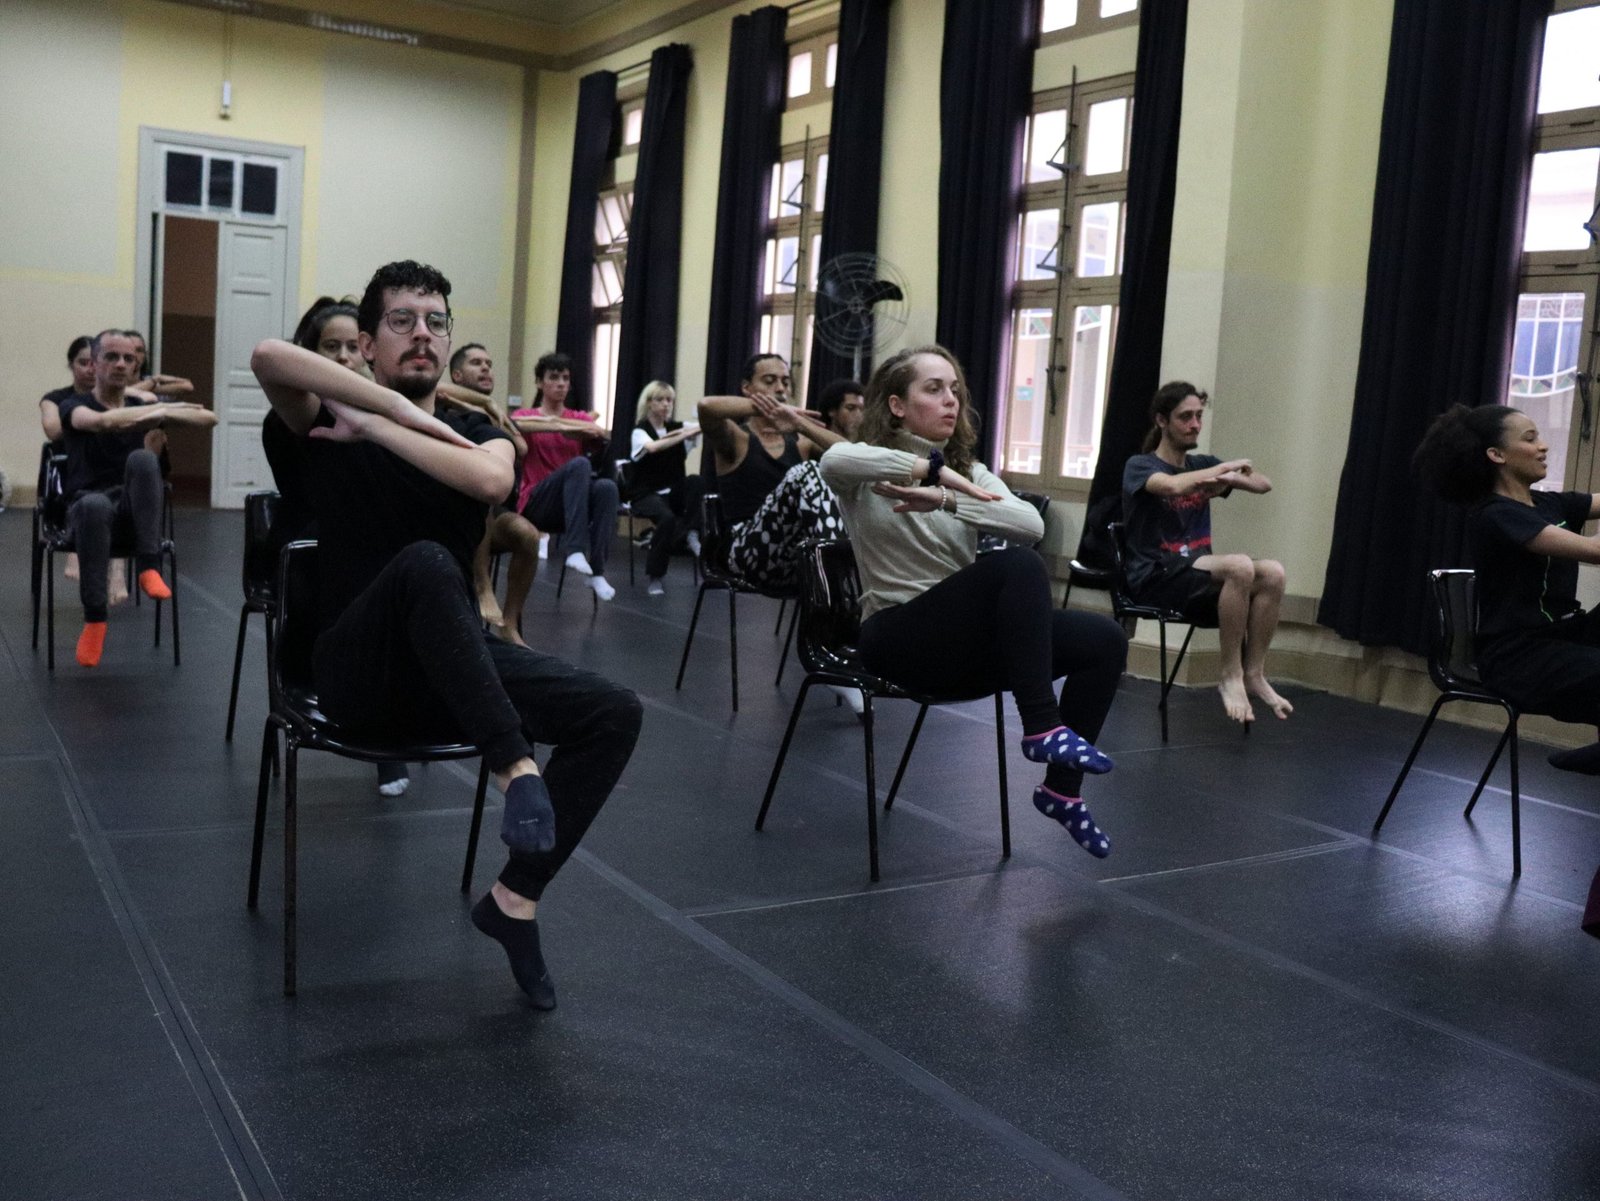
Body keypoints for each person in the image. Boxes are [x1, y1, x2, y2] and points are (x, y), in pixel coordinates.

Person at [250, 260, 641, 1009]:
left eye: (435, 321)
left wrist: (388, 424)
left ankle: (515, 899)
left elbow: (495, 483)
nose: (422, 335)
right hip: (354, 670)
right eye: (401, 321)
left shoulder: (473, 432)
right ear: (364, 344)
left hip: (455, 669)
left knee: (613, 710)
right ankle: (513, 768)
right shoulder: (320, 423)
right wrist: (366, 414)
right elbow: (270, 356)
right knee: (425, 563)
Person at [819, 346, 1127, 857]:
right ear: (896, 404)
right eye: (934, 389)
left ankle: (1061, 790)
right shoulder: (866, 470)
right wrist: (930, 471)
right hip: (897, 638)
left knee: (1103, 638)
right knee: (1016, 567)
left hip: (959, 648)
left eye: (955, 391)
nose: (951, 402)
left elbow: (1030, 525)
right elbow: (834, 457)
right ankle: (1043, 724)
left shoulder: (972, 473)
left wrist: (946, 496)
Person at [1413, 403, 1600, 774]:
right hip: (1518, 656)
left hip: (1564, 634)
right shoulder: (1495, 515)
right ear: (1496, 455)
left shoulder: (1549, 502)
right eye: (1530, 439)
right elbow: (1595, 551)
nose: (1543, 446)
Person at [1121, 382, 1290, 725]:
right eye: (1185, 417)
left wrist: (1228, 477)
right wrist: (1216, 472)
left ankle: (1253, 673)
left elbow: (1263, 484)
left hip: (1197, 578)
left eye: (1198, 416)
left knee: (1273, 572)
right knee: (1239, 566)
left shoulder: (1202, 464)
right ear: (1162, 421)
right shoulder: (1139, 465)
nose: (1195, 424)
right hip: (1156, 578)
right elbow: (1170, 485)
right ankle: (1230, 675)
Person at [60, 329, 217, 667]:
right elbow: (100, 422)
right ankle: (95, 620)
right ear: (96, 363)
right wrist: (156, 413)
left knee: (145, 460)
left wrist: (153, 413)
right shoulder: (73, 405)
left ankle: (148, 567)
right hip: (86, 515)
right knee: (94, 505)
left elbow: (208, 417)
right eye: (111, 357)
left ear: (136, 367)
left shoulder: (140, 404)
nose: (120, 364)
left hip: (131, 516)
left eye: (128, 359)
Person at [699, 353, 847, 593]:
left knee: (836, 475)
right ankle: (837, 583)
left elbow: (851, 454)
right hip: (745, 556)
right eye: (769, 381)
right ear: (747, 388)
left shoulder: (801, 444)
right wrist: (769, 408)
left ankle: (836, 588)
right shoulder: (737, 440)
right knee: (808, 470)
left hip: (794, 559)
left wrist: (801, 425)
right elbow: (706, 407)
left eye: (785, 382)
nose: (779, 388)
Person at [439, 342, 543, 645]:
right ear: (457, 375)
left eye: (488, 363)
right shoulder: (444, 404)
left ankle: (509, 624)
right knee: (479, 488)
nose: (486, 368)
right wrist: (475, 407)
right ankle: (482, 583)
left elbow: (522, 449)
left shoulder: (494, 413)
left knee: (526, 534)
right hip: (455, 512)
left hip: (494, 514)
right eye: (476, 363)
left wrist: (490, 412)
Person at [511, 352, 619, 602]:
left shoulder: (578, 417)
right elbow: (516, 425)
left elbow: (600, 433)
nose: (561, 383)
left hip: (572, 508)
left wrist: (588, 430)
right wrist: (562, 426)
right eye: (554, 377)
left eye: (566, 378)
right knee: (579, 464)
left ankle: (597, 571)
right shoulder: (526, 416)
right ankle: (575, 549)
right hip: (538, 503)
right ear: (540, 382)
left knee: (606, 488)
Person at [628, 380, 703, 595]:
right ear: (649, 403)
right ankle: (655, 577)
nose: (665, 404)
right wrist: (684, 434)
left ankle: (691, 533)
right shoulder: (640, 431)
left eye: (669, 400)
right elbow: (653, 447)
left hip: (672, 492)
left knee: (697, 481)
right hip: (645, 493)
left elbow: (703, 426)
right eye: (660, 400)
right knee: (667, 519)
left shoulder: (678, 428)